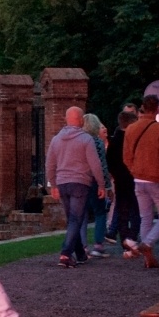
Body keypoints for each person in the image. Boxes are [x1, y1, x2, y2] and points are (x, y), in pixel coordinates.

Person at [45, 107, 106, 268]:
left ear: (66, 119)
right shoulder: (86, 139)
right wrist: (101, 184)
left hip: (62, 183)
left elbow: (50, 164)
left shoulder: (56, 140)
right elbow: (95, 164)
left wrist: (53, 183)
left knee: (73, 219)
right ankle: (65, 253)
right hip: (80, 182)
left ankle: (80, 254)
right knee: (75, 219)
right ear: (81, 120)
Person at [124, 95, 159, 269]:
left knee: (145, 217)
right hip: (158, 178)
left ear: (142, 107)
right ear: (157, 109)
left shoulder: (131, 129)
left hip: (138, 178)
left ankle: (148, 257)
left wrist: (135, 170)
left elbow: (126, 156)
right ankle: (147, 243)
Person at [105, 109, 141, 257]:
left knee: (122, 211)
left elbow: (109, 161)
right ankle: (132, 238)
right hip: (133, 179)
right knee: (136, 211)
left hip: (120, 180)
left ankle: (125, 240)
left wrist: (115, 174)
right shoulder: (132, 140)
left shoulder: (114, 140)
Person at [83, 113, 112, 256]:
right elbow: (102, 165)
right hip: (95, 180)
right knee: (100, 212)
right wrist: (106, 185)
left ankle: (83, 246)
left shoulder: (79, 141)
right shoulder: (98, 142)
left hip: (82, 180)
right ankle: (98, 245)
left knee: (82, 214)